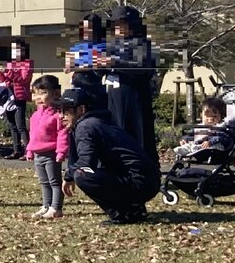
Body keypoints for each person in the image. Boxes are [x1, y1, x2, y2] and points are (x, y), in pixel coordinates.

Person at [59, 84, 160, 225]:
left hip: (140, 182)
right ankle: (134, 208)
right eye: (60, 110)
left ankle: (123, 214)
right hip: (148, 179)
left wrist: (69, 175)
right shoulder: (98, 122)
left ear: (81, 110)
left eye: (66, 111)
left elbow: (86, 163)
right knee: (88, 172)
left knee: (82, 175)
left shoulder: (85, 127)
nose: (61, 116)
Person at [96, 6, 156, 152]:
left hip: (134, 96)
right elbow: (100, 70)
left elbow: (142, 68)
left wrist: (113, 62)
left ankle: (142, 165)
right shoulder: (111, 45)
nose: (117, 28)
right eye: (115, 25)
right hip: (114, 96)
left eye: (121, 24)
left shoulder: (142, 43)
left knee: (137, 132)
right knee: (117, 131)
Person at [25, 74, 69, 219]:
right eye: (36, 94)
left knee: (54, 182)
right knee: (43, 182)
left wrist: (61, 152)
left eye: (43, 93)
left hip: (51, 153)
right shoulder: (35, 116)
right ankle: (46, 205)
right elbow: (33, 134)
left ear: (55, 93)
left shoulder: (57, 115)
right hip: (38, 154)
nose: (39, 97)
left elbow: (62, 134)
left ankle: (56, 207)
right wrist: (29, 150)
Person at [0, 38, 33, 159]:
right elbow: (3, 82)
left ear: (23, 50)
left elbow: (24, 80)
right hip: (8, 98)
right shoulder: (9, 64)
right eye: (13, 49)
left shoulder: (27, 63)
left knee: (21, 125)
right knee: (12, 125)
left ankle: (28, 151)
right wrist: (0, 73)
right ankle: (16, 150)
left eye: (19, 49)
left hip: (19, 97)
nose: (16, 52)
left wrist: (9, 72)